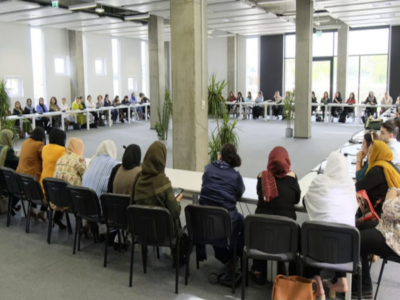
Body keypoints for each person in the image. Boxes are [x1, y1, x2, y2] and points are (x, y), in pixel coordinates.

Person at [304, 152, 358, 300]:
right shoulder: (349, 185)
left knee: (311, 239)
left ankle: (320, 288)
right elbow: (354, 209)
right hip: (346, 252)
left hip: (318, 250)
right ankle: (342, 280)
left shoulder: (319, 182)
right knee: (340, 230)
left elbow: (306, 200)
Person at [251, 147, 300, 284]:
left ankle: (258, 270)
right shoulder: (293, 178)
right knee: (294, 231)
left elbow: (260, 195)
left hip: (262, 235)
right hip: (286, 236)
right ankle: (290, 272)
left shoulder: (262, 177)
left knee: (261, 225)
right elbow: (296, 199)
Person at [199, 144, 245, 271]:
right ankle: (238, 253)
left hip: (205, 220)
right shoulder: (235, 176)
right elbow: (240, 192)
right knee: (244, 223)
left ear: (220, 156)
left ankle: (226, 257)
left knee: (216, 221)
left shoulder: (208, 169)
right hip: (226, 221)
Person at [351, 188, 400, 299]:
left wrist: (391, 192)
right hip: (391, 228)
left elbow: (389, 209)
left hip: (395, 238)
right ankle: (364, 284)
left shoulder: (377, 170)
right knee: (360, 229)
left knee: (354, 240)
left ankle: (358, 287)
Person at [133, 141, 181, 233]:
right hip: (163, 232)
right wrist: (177, 202)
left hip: (142, 231)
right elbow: (175, 213)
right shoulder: (163, 184)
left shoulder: (138, 180)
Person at [356, 140, 400, 216]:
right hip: (390, 210)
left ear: (377, 153)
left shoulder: (378, 169)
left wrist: (359, 160)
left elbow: (358, 186)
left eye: (370, 152)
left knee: (358, 221)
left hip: (383, 214)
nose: (367, 155)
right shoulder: (389, 165)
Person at [53, 138, 86, 227]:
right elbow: (86, 175)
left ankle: (57, 216)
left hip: (56, 197)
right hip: (71, 199)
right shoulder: (79, 159)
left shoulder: (61, 158)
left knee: (64, 185)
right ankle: (83, 226)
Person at [16, 127, 46, 220]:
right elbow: (45, 158)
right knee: (44, 187)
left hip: (19, 177)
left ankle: (32, 210)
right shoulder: (39, 145)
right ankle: (42, 211)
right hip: (30, 179)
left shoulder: (25, 142)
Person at [39, 129, 66, 225]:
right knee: (65, 189)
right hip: (53, 188)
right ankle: (57, 218)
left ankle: (44, 212)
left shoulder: (45, 148)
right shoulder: (61, 150)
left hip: (42, 184)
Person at [0, 129, 21, 216]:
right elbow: (17, 161)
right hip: (6, 182)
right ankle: (11, 205)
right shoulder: (7, 150)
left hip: (1, 180)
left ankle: (12, 205)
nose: (12, 140)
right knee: (22, 187)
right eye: (12, 138)